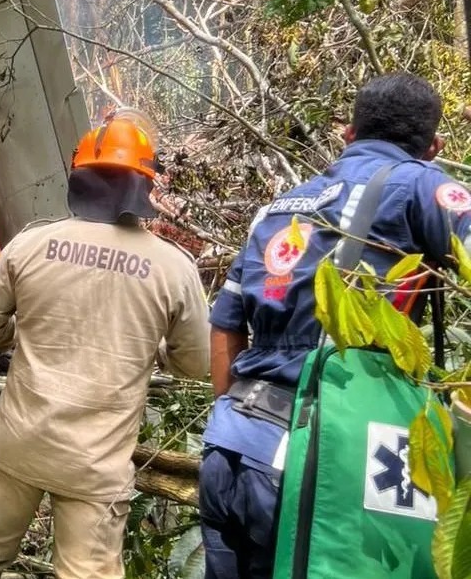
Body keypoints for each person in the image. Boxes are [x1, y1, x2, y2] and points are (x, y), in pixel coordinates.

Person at [200, 72, 471, 578]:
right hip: (318, 453)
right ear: (432, 147)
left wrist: (233, 416)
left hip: (229, 443)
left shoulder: (277, 209)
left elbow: (225, 325)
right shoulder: (424, 183)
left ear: (347, 134)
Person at [0, 107, 211, 579]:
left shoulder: (32, 245)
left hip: (19, 443)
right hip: (95, 464)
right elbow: (196, 363)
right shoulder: (173, 268)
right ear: (146, 185)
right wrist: (153, 353)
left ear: (79, 176)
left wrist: (21, 337)